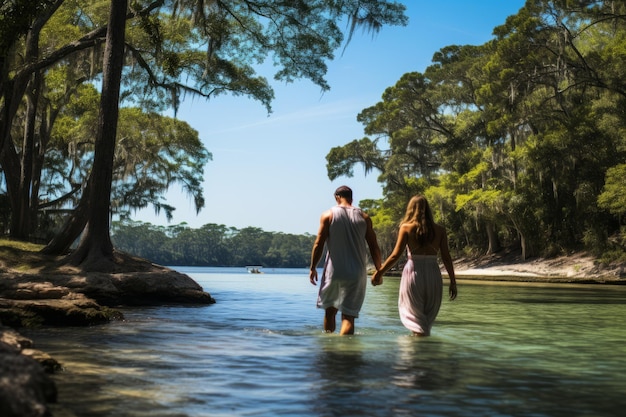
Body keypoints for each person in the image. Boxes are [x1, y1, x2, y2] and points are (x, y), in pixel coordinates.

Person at [372, 195, 457, 336]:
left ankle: (416, 354)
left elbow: (395, 255)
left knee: (415, 318)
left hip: (413, 272)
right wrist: (453, 282)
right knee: (426, 320)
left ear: (410, 209)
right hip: (433, 274)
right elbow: (446, 258)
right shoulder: (440, 230)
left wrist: (379, 272)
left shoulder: (406, 228)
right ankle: (423, 353)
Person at [309, 185, 382, 335]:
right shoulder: (364, 217)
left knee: (330, 312)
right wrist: (379, 271)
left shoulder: (328, 215)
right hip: (357, 273)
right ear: (351, 198)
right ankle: (345, 354)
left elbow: (319, 243)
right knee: (348, 317)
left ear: (337, 197)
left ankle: (330, 351)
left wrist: (313, 267)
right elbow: (374, 247)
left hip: (334, 272)